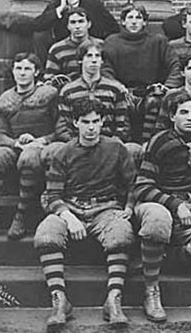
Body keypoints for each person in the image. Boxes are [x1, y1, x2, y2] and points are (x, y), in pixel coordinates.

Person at [33, 98, 135, 329]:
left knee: (121, 234)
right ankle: (59, 300)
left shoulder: (116, 148)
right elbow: (53, 194)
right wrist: (68, 216)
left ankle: (113, 299)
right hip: (71, 206)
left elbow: (133, 183)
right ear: (75, 123)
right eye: (85, 122)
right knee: (46, 235)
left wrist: (129, 206)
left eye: (96, 121)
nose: (91, 127)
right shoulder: (63, 153)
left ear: (102, 122)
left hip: (105, 207)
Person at [133, 95, 191, 323]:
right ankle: (151, 290)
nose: (190, 118)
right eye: (184, 112)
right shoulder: (160, 141)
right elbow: (142, 187)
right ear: (172, 116)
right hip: (159, 204)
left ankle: (159, 255)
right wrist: (175, 205)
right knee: (158, 221)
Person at [0, 53, 58, 240]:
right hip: (15, 147)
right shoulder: (5, 99)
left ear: (36, 72)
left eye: (27, 68)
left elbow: (61, 129)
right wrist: (16, 143)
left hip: (41, 147)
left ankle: (21, 214)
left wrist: (40, 141)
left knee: (29, 158)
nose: (22, 73)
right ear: (13, 71)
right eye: (18, 68)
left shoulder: (49, 95)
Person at [101, 5, 174, 142]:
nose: (134, 22)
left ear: (145, 22)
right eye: (130, 18)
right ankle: (123, 141)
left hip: (149, 90)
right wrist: (116, 86)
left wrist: (166, 86)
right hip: (123, 90)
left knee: (155, 101)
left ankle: (148, 142)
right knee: (119, 102)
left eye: (138, 18)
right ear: (123, 21)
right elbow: (105, 68)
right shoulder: (112, 42)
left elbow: (174, 65)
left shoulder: (158, 41)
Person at [33, 0, 119, 65]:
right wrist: (59, 10)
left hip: (90, 47)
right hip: (63, 48)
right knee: (39, 35)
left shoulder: (94, 5)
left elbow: (113, 27)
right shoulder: (54, 6)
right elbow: (38, 25)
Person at [43, 7, 98, 87]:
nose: (77, 26)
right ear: (68, 26)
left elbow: (108, 73)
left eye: (81, 21)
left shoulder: (99, 46)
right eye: (73, 22)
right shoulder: (57, 49)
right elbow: (49, 78)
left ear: (89, 24)